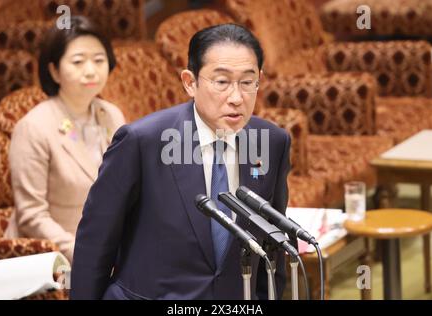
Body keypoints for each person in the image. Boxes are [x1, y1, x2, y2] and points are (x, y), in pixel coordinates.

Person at [70, 24, 290, 300]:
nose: (236, 98)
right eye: (221, 82)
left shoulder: (271, 142)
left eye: (247, 82)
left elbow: (274, 243)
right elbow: (95, 243)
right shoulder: (143, 141)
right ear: (190, 82)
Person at [8, 16, 125, 263]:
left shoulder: (111, 116)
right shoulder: (34, 128)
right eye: (78, 62)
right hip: (54, 260)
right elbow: (31, 216)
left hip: (110, 251)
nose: (91, 70)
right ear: (54, 70)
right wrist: (84, 254)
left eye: (99, 60)